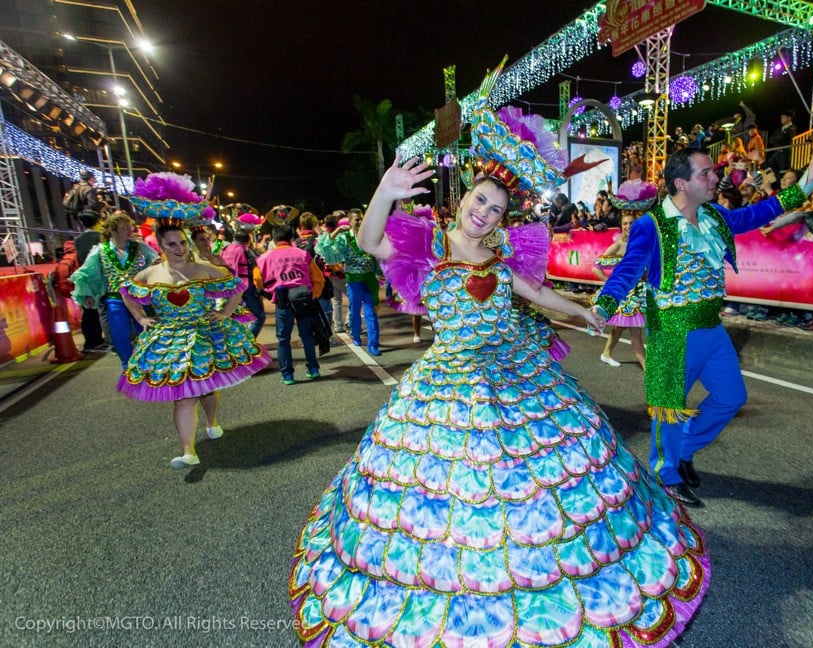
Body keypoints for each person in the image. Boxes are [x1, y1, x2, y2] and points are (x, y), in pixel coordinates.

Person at [289, 59, 710, 647]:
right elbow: (369, 243)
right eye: (477, 201)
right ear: (462, 198)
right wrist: (384, 192)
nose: (482, 213)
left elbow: (537, 292)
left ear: (500, 219)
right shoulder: (429, 243)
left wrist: (584, 310)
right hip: (451, 377)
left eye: (493, 209)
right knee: (459, 479)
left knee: (533, 472)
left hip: (514, 367)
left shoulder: (503, 257)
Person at [594, 148, 813, 507]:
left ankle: (684, 448)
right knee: (670, 407)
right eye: (706, 173)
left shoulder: (714, 215)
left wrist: (801, 190)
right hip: (670, 330)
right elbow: (628, 269)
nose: (716, 178)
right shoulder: (651, 225)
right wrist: (604, 306)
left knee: (732, 397)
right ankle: (666, 475)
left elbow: (756, 213)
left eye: (713, 172)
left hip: (712, 329)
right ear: (681, 183)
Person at [120, 172, 270, 468]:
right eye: (173, 244)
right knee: (183, 396)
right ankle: (188, 450)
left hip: (203, 334)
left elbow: (236, 287)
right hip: (170, 339)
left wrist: (225, 313)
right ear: (161, 246)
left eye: (182, 243)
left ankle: (212, 422)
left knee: (205, 388)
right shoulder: (151, 274)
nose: (180, 249)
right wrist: (140, 317)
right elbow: (127, 291)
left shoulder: (202, 268)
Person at [69, 211, 158, 370]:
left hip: (138, 296)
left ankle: (147, 362)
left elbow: (155, 264)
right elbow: (87, 272)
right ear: (112, 230)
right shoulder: (101, 250)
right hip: (114, 298)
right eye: (125, 228)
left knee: (145, 330)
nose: (130, 231)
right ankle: (127, 365)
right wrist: (88, 293)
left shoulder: (140, 247)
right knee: (119, 333)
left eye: (131, 228)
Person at [256, 226, 325, 385]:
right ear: (291, 239)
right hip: (303, 298)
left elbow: (258, 280)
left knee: (283, 339)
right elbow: (318, 278)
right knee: (307, 335)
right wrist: (313, 294)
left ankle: (287, 375)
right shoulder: (303, 254)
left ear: (274, 240)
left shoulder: (264, 258)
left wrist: (270, 292)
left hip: (282, 300)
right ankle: (313, 369)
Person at [593, 212, 646, 370]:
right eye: (625, 224)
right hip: (624, 294)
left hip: (637, 292)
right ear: (621, 226)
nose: (628, 226)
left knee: (619, 327)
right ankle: (648, 368)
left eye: (631, 223)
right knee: (635, 332)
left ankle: (606, 353)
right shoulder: (618, 245)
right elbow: (596, 266)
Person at [333, 208, 381, 355]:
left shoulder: (369, 236)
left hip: (369, 280)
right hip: (353, 281)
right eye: (356, 219)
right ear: (350, 221)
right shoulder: (344, 237)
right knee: (354, 311)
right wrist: (336, 232)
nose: (359, 222)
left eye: (361, 219)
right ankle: (355, 335)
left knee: (371, 312)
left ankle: (373, 344)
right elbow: (330, 249)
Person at [73, 209, 108, 352]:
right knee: (101, 310)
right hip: (100, 277)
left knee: (89, 310)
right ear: (99, 220)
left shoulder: (78, 240)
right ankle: (96, 342)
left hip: (85, 278)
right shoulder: (101, 237)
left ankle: (92, 341)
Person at [220, 227, 266, 337]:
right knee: (258, 316)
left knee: (236, 317)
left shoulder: (225, 249)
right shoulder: (245, 250)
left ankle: (235, 343)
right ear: (247, 240)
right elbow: (258, 265)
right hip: (245, 288)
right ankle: (247, 342)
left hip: (227, 287)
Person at [765, 108, 797, 175]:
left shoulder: (793, 127)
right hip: (777, 151)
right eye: (781, 117)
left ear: (789, 118)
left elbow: (785, 138)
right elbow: (771, 139)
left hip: (785, 152)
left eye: (783, 117)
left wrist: (779, 137)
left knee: (783, 171)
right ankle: (773, 182)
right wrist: (780, 137)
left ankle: (784, 183)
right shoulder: (780, 128)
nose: (781, 119)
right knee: (769, 167)